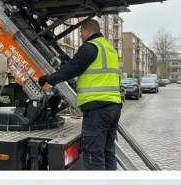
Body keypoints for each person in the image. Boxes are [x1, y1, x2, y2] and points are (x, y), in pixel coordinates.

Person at [37, 19, 122, 170]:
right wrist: (68, 60)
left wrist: (49, 79)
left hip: (97, 108)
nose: (81, 35)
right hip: (113, 106)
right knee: (108, 151)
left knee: (93, 154)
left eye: (81, 32)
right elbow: (84, 65)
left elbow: (73, 69)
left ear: (87, 32)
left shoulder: (91, 46)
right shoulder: (109, 49)